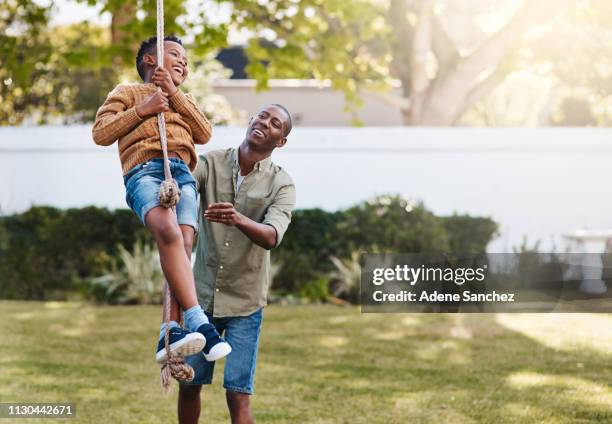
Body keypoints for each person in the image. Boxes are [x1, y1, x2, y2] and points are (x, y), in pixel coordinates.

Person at [92, 35, 231, 365]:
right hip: (145, 171)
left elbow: (204, 132)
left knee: (182, 246)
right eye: (173, 54)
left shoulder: (184, 98)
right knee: (167, 233)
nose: (183, 61)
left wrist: (173, 94)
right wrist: (143, 110)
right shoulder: (126, 92)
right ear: (149, 61)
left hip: (182, 175)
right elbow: (101, 133)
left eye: (185, 59)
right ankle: (200, 323)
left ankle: (169, 330)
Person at [176, 104, 296, 424]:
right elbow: (184, 181)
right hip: (201, 300)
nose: (264, 123)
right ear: (250, 119)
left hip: (245, 303)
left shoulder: (281, 184)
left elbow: (272, 236)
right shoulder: (210, 163)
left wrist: (237, 218)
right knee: (189, 384)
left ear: (280, 141)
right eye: (262, 116)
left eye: (274, 124)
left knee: (238, 394)